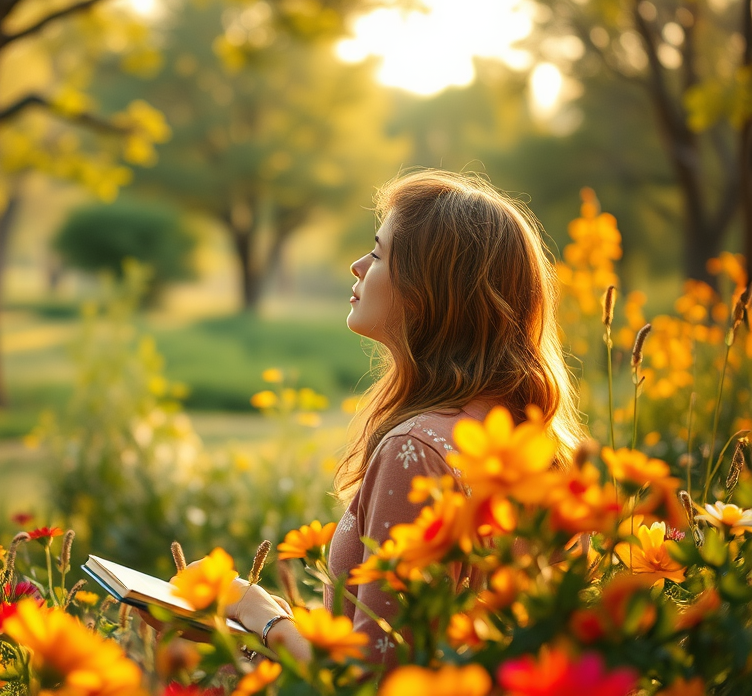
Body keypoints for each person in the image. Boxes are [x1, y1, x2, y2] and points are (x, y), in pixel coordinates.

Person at [220, 170, 586, 667]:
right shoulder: (529, 439)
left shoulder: (416, 448)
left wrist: (264, 619)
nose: (356, 266)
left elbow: (375, 677)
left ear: (427, 289)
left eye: (377, 253)